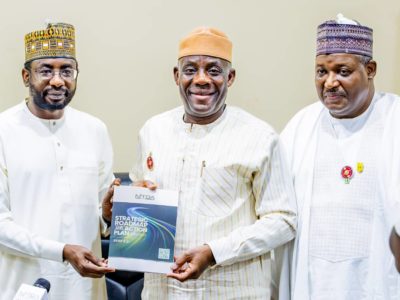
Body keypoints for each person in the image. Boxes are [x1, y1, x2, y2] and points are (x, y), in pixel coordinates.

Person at [130, 27, 297, 299]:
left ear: (230, 77)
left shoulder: (260, 137)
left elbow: (284, 221)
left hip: (232, 291)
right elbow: (141, 199)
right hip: (162, 291)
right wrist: (117, 209)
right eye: (190, 70)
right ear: (176, 76)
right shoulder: (153, 130)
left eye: (214, 70)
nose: (201, 79)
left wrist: (214, 252)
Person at [281, 14, 400, 299]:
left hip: (378, 283)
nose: (330, 83)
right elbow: (268, 200)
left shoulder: (395, 119)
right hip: (311, 284)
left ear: (370, 69)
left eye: (342, 72)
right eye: (321, 72)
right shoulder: (301, 125)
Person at [0, 22, 118, 299]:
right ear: (26, 76)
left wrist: (108, 214)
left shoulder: (95, 129)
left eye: (66, 70)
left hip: (84, 286)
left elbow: (102, 215)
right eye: (45, 71)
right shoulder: (3, 130)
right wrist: (62, 251)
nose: (57, 80)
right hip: (22, 284)